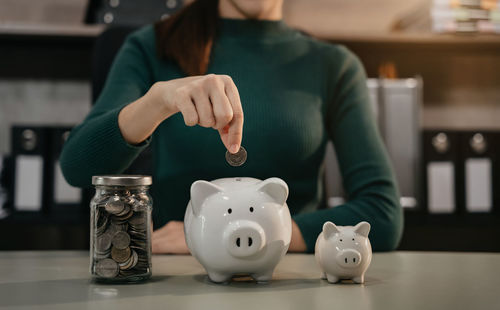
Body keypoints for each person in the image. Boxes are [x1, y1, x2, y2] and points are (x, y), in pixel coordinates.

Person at [60, 0, 403, 254]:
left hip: (289, 275)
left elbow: (382, 214)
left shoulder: (333, 65)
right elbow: (77, 168)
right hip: (179, 275)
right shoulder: (150, 47)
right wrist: (158, 101)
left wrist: (243, 236)